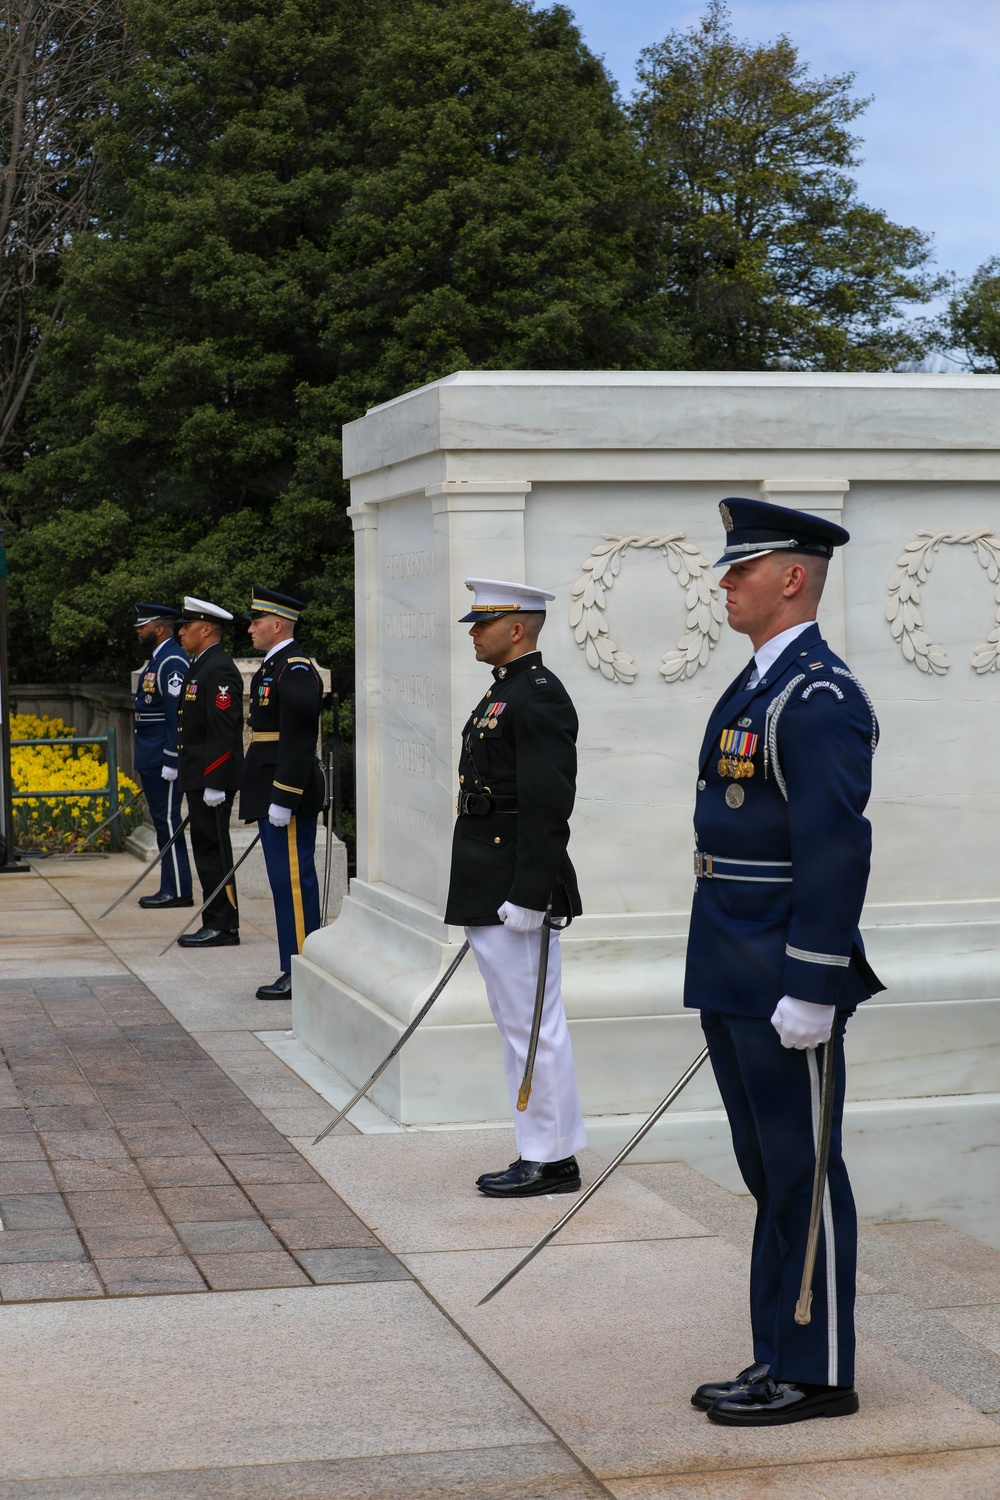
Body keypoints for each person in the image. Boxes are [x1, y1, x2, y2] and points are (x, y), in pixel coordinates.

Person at [684, 498, 883, 1428]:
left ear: (792, 578)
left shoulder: (818, 696)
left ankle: (818, 1370)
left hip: (780, 970)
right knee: (771, 1173)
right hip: (734, 956)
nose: (724, 583)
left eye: (740, 568)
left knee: (803, 1171)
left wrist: (812, 982)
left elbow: (835, 851)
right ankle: (777, 1352)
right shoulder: (761, 683)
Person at [444, 578, 586, 1198]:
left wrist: (532, 893)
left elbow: (548, 804)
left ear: (517, 629)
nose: (473, 633)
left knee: (532, 1024)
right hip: (489, 872)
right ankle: (542, 1147)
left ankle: (551, 1159)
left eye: (482, 623)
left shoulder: (539, 697)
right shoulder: (505, 693)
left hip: (514, 883)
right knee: (517, 1021)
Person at [239, 586, 324, 1000]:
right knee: (281, 882)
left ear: (277, 624)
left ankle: (303, 969)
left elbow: (300, 737)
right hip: (272, 787)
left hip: (284, 791)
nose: (250, 628)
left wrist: (284, 796)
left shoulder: (295, 668)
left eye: (256, 621)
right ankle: (294, 964)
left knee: (293, 881)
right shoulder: (276, 666)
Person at [174, 596, 245, 948]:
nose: (181, 632)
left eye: (186, 626)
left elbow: (224, 729)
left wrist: (215, 781)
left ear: (205, 629)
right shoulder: (200, 664)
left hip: (210, 779)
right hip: (198, 775)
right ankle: (215, 919)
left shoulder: (218, 668)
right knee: (205, 847)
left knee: (214, 849)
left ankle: (222, 924)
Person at [132, 603, 193, 909]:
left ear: (158, 629)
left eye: (142, 627)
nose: (138, 632)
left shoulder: (172, 662)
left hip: (162, 758)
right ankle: (170, 885)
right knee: (161, 823)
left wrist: (172, 758)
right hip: (152, 756)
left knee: (169, 822)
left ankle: (179, 889)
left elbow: (177, 715)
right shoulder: (159, 660)